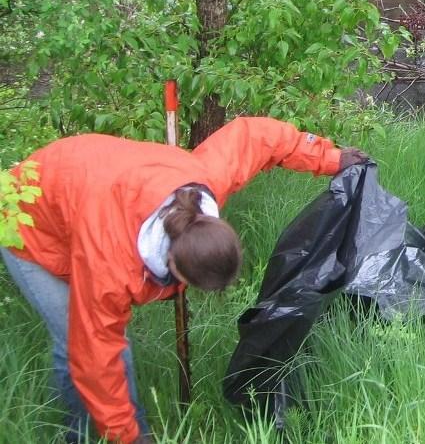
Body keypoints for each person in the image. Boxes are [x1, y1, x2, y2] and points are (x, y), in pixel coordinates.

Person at [0, 117, 369, 444]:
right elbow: (95, 354)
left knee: (104, 344)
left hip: (86, 185)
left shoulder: (202, 182)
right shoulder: (109, 263)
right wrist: (129, 436)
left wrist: (332, 159)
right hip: (27, 219)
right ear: (172, 266)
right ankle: (76, 435)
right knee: (76, 342)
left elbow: (259, 137)